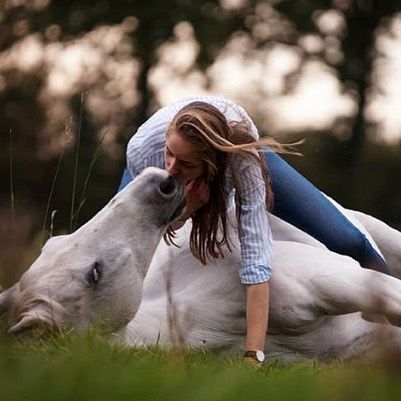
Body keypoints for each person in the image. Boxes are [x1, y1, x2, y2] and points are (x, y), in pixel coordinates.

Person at [118, 95, 389, 364]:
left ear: (210, 165)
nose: (172, 168)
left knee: (348, 240)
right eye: (170, 154)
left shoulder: (242, 163)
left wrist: (253, 354)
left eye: (185, 164)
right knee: (116, 251)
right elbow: (155, 232)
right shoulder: (145, 153)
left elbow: (256, 261)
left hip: (235, 149)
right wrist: (188, 209)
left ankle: (389, 312)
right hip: (156, 152)